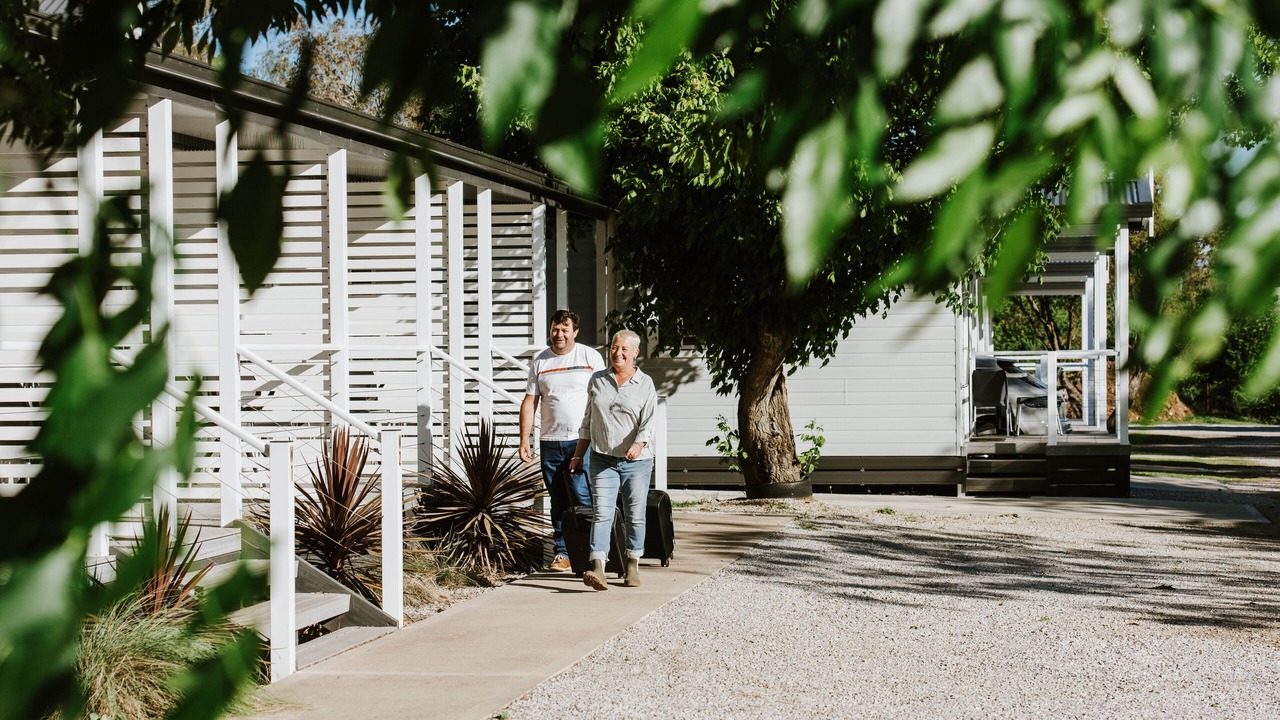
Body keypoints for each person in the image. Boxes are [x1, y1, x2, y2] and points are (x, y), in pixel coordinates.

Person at [569, 329, 657, 591]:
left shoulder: (645, 383)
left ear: (635, 353)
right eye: (614, 348)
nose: (617, 353)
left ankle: (632, 564)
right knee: (602, 513)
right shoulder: (598, 380)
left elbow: (649, 422)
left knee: (635, 515)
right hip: (602, 458)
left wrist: (639, 444)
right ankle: (598, 567)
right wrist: (577, 454)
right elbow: (588, 421)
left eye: (624, 349)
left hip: (637, 462)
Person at [519, 309, 605, 572]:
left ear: (575, 332)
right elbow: (530, 401)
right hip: (550, 441)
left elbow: (604, 397)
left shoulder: (590, 357)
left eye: (565, 329)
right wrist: (525, 439)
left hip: (582, 440)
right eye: (555, 329)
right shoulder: (540, 362)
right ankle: (563, 553)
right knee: (557, 499)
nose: (559, 334)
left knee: (582, 497)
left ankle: (593, 553)